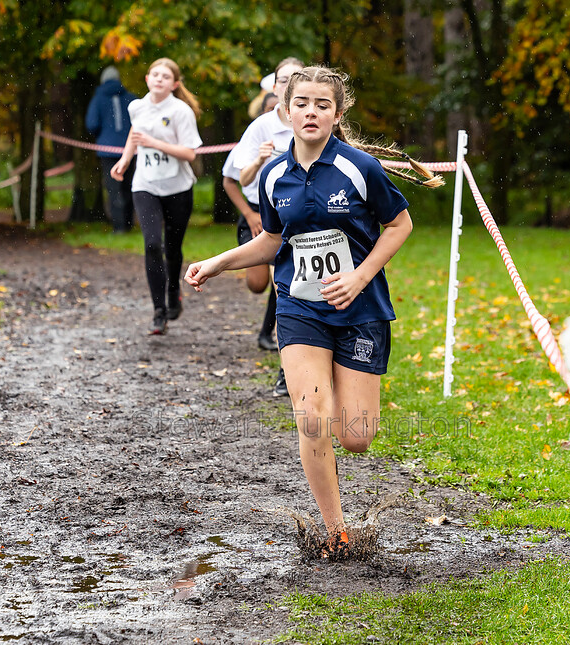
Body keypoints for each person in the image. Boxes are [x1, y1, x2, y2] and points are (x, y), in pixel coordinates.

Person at [185, 66, 442, 553]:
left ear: (337, 114)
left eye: (323, 105)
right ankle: (336, 530)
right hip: (300, 309)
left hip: (359, 307)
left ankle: (342, 506)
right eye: (302, 103)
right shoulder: (275, 175)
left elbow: (400, 225)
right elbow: (272, 239)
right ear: (285, 110)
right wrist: (219, 263)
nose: (311, 112)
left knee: (357, 436)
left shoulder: (358, 167)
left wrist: (359, 275)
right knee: (311, 417)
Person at [110, 58, 203, 335]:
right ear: (147, 78)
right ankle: (158, 311)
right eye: (155, 74)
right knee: (152, 244)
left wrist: (155, 143)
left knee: (172, 248)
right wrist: (126, 160)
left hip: (178, 187)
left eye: (166, 76)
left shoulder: (180, 111)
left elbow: (190, 153)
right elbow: (135, 134)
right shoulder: (136, 106)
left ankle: (174, 289)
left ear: (174, 84)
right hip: (145, 184)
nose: (159, 79)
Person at [230, 57, 305, 396]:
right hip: (263, 213)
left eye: (295, 79)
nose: (288, 85)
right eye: (282, 80)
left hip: (302, 217)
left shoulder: (314, 119)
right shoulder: (260, 127)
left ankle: (287, 371)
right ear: (274, 88)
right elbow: (238, 177)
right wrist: (260, 160)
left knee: (285, 288)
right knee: (258, 284)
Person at [85, 66, 137, 233]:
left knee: (113, 189)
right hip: (131, 149)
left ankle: (119, 227)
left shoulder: (98, 98)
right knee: (129, 186)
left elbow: (92, 124)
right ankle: (129, 223)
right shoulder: (131, 99)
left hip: (108, 151)